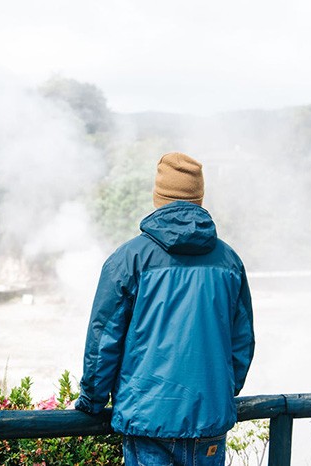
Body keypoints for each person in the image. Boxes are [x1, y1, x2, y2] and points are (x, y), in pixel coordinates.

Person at [74, 152, 255, 466]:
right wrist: (218, 390)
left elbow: (105, 341)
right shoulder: (229, 262)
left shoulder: (128, 259)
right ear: (199, 198)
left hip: (147, 419)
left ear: (157, 197)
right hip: (208, 419)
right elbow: (242, 342)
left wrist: (92, 401)